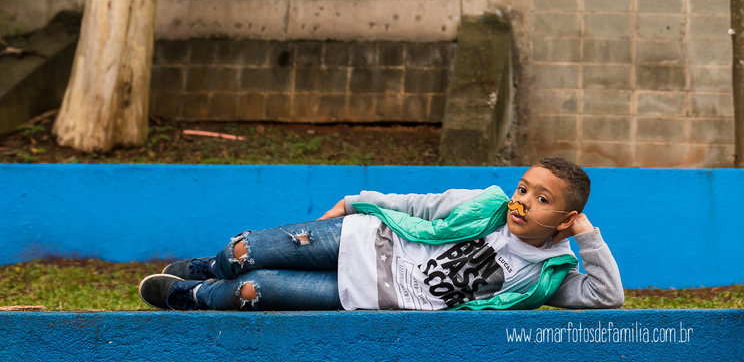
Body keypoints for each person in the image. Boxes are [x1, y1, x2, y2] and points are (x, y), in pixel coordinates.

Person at [138, 156, 623, 311]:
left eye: (542, 199)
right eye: (524, 188)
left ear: (566, 218)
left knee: (253, 290)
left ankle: (195, 295)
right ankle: (211, 265)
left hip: (368, 292)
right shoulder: (486, 205)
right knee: (243, 251)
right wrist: (356, 200)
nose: (523, 201)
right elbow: (417, 205)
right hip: (365, 238)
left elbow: (607, 296)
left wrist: (587, 236)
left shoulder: (548, 277)